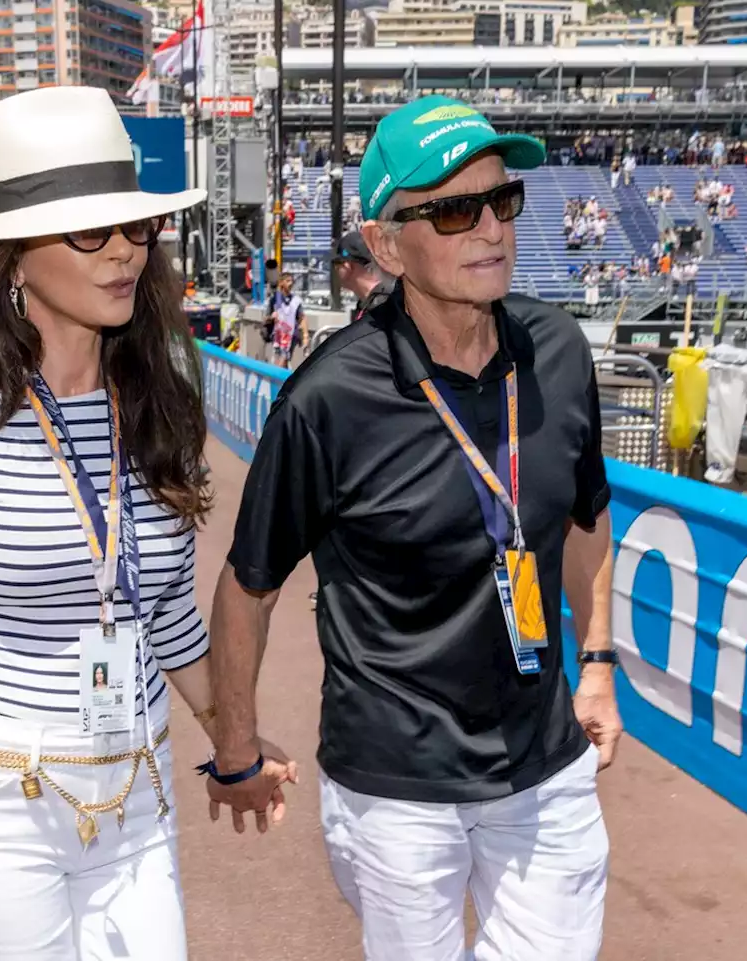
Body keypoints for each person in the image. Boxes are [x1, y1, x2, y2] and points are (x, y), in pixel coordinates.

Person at [0, 86, 290, 960]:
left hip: (138, 786)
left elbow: (165, 616)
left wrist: (233, 741)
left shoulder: (161, 403)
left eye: (136, 229)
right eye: (91, 231)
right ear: (11, 257)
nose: (123, 252)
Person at [206, 95, 619, 961]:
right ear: (387, 245)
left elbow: (587, 517)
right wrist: (235, 744)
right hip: (396, 788)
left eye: (501, 200)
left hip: (544, 767)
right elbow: (250, 586)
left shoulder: (558, 350)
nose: (491, 229)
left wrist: (599, 664)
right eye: (455, 210)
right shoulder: (327, 398)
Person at [332, 230, 393, 323]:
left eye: (336, 264)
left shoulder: (384, 305)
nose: (335, 270)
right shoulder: (367, 303)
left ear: (347, 266)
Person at [267, 272, 306, 368]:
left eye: (292, 281)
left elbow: (302, 317)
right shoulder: (274, 300)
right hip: (278, 336)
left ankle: (280, 379)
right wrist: (271, 317)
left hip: (291, 336)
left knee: (284, 359)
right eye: (288, 281)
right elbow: (265, 318)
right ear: (281, 283)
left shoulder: (296, 300)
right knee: (280, 361)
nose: (291, 283)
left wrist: (305, 336)